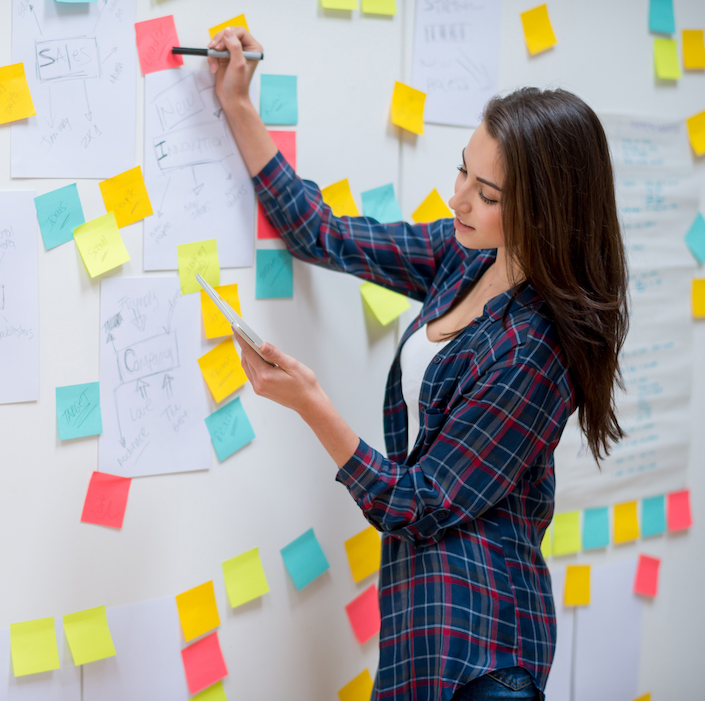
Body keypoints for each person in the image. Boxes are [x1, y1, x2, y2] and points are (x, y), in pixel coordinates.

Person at [207, 26, 630, 701]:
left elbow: (418, 501)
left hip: (485, 657)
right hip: (417, 639)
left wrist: (312, 404)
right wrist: (237, 106)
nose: (459, 197)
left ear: (545, 214)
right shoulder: (464, 257)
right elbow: (323, 233)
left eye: (488, 195)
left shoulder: (532, 352)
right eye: (465, 168)